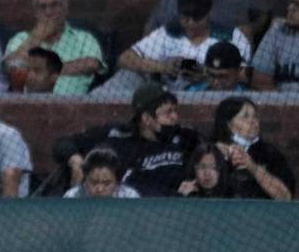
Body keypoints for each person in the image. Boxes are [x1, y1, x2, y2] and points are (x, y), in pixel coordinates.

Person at [51, 84, 200, 199]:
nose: (175, 117)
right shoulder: (116, 135)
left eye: (175, 111)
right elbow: (62, 143)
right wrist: (75, 160)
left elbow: (207, 155)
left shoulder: (185, 138)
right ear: (147, 118)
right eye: (168, 112)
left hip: (173, 208)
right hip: (122, 210)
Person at [104, 0, 251, 97]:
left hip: (215, 97)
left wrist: (206, 75)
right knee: (125, 76)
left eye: (197, 18)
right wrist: (164, 67)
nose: (191, 23)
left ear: (209, 13)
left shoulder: (232, 36)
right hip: (167, 99)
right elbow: (125, 59)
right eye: (185, 18)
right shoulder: (168, 32)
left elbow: (247, 75)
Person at [1, 0, 105, 95]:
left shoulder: (84, 38)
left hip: (72, 102)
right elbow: (11, 67)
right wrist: (37, 36)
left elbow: (92, 64)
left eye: (54, 5)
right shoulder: (21, 38)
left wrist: (41, 72)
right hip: (31, 102)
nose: (48, 12)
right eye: (42, 7)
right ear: (36, 13)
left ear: (65, 8)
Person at [211, 97, 295, 200]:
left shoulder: (269, 153)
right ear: (228, 124)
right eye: (245, 116)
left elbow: (286, 196)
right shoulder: (210, 150)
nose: (253, 121)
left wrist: (252, 167)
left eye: (255, 116)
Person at [64, 147, 140, 199]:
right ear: (85, 179)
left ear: (117, 182)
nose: (100, 189)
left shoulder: (130, 197)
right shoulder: (72, 197)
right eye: (94, 183)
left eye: (107, 183)